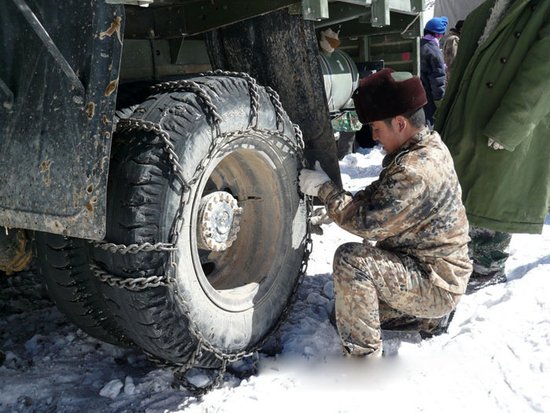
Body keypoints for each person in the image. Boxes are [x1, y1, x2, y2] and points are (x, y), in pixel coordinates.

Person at [299, 68, 472, 357]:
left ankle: (363, 360)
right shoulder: (424, 147)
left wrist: (326, 191)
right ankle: (428, 318)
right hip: (430, 269)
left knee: (351, 260)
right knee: (345, 312)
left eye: (378, 128)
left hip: (435, 282)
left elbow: (368, 224)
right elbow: (380, 195)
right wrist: (335, 209)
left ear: (401, 123)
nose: (375, 137)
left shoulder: (415, 170)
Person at [435, 0, 550, 293]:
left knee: (491, 194)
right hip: (474, 111)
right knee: (465, 190)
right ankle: (465, 261)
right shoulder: (496, 6)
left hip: (500, 117)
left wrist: (512, 124)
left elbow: (542, 73)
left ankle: (488, 269)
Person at [420, 16, 448, 128]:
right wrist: (439, 99)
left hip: (415, 92)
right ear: (438, 34)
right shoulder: (434, 50)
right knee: (428, 125)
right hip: (428, 96)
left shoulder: (418, 44)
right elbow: (438, 78)